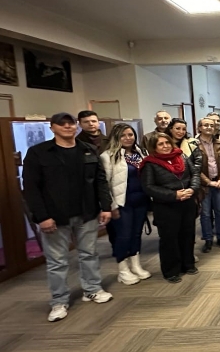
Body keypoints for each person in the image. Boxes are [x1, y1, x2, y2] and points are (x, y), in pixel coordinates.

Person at [24, 112, 113, 322]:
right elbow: (31, 188)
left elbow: (100, 181)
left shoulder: (88, 150)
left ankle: (92, 289)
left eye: (70, 124)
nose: (67, 127)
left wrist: (106, 206)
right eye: (61, 124)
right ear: (52, 127)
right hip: (55, 216)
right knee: (57, 261)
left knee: (89, 254)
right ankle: (59, 301)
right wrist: (42, 217)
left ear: (76, 126)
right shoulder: (39, 153)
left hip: (87, 213)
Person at [140, 133, 200, 283]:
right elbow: (148, 187)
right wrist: (174, 195)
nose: (165, 146)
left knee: (188, 234)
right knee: (169, 239)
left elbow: (195, 174)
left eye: (167, 142)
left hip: (187, 202)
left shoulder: (182, 157)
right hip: (166, 206)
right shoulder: (149, 163)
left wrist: (192, 189)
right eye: (160, 144)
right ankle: (171, 271)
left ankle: (188, 264)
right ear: (154, 147)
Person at [101, 123, 151, 285]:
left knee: (136, 234)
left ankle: (135, 265)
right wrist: (110, 206)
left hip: (141, 200)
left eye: (130, 134)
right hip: (122, 203)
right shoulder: (108, 156)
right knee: (123, 236)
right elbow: (105, 184)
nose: (128, 138)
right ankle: (123, 269)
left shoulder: (142, 152)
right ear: (116, 137)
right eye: (123, 135)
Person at [197, 117, 220, 253]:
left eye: (211, 125)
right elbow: (195, 168)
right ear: (200, 128)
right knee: (205, 214)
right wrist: (209, 182)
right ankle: (208, 239)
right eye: (206, 125)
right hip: (204, 185)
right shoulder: (194, 144)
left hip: (219, 182)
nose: (209, 127)